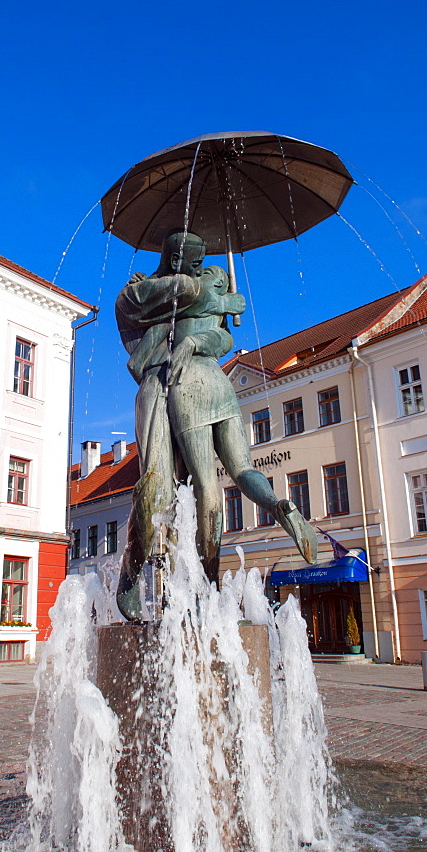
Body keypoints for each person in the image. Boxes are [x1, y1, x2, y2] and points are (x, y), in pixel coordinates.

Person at [115, 231, 316, 621]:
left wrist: (205, 326)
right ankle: (269, 512)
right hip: (164, 382)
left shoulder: (207, 320)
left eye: (206, 264)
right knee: (197, 482)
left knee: (185, 488)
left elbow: (214, 329)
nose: (201, 269)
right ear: (175, 260)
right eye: (195, 261)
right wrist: (223, 300)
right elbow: (183, 292)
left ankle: (185, 583)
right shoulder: (140, 291)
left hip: (184, 385)